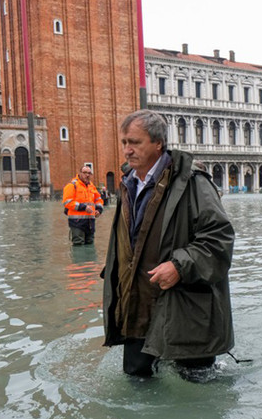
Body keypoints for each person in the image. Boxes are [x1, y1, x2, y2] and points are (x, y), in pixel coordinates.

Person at [100, 109, 235, 380]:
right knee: (137, 382)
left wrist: (179, 266)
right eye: (124, 142)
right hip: (136, 306)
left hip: (185, 308)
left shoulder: (194, 183)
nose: (127, 150)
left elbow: (219, 238)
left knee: (195, 389)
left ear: (158, 143)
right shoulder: (127, 184)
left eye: (135, 142)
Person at [62, 165, 103, 245]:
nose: (87, 175)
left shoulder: (92, 187)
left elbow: (98, 199)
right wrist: (83, 207)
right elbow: (67, 202)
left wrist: (99, 210)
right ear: (79, 173)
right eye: (84, 173)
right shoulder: (72, 185)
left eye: (89, 173)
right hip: (77, 222)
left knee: (90, 243)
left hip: (90, 222)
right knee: (78, 244)